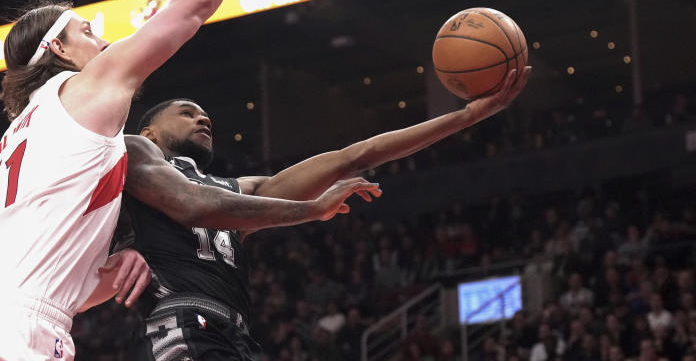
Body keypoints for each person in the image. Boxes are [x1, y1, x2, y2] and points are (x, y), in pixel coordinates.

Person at [0, 0, 379, 360]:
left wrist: (110, 267)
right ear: (57, 47)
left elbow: (49, 267)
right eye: (86, 30)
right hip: (10, 330)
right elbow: (192, 6)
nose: (101, 40)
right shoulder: (80, 92)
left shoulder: (20, 134)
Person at [122, 65, 531, 360]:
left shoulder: (242, 190)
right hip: (182, 322)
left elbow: (354, 156)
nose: (203, 117)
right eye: (187, 112)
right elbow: (190, 203)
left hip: (238, 333)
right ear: (151, 133)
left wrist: (466, 116)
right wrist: (311, 209)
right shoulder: (135, 153)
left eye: (203, 113)